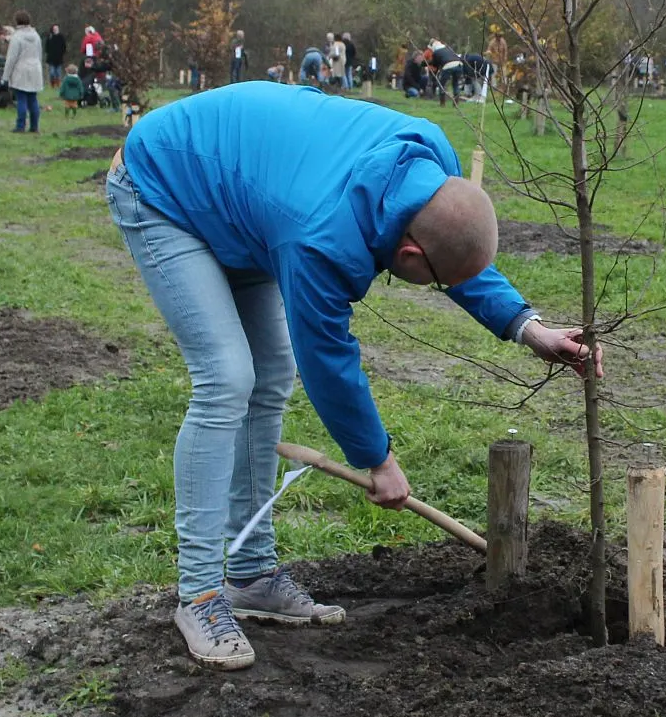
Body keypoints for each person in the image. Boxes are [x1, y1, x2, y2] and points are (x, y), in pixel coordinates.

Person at [108, 83, 597, 670]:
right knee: (227, 378)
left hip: (249, 195)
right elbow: (328, 359)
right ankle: (199, 595)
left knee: (269, 375)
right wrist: (378, 460)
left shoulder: (431, 163)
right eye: (436, 282)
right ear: (410, 257)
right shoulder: (320, 237)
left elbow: (454, 245)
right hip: (163, 183)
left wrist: (526, 327)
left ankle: (252, 574)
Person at [4, 12, 45, 132]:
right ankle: (34, 126)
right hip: (35, 69)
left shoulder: (17, 37)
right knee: (33, 99)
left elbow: (11, 58)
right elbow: (39, 54)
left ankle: (20, 126)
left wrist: (6, 76)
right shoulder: (36, 36)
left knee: (21, 99)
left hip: (21, 70)